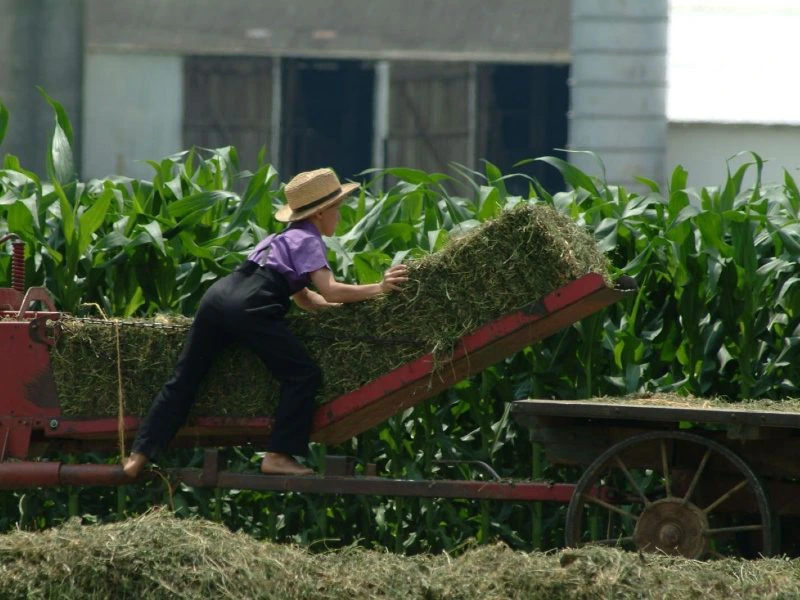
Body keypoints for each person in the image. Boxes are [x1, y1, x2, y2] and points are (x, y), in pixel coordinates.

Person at [123, 168, 408, 478]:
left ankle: (138, 456)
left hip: (217, 298)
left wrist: (341, 316)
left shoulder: (278, 239)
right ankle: (278, 455)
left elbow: (307, 299)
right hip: (251, 305)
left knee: (184, 379)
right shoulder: (309, 240)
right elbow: (330, 290)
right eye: (337, 209)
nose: (339, 217)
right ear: (321, 212)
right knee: (303, 375)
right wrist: (379, 289)